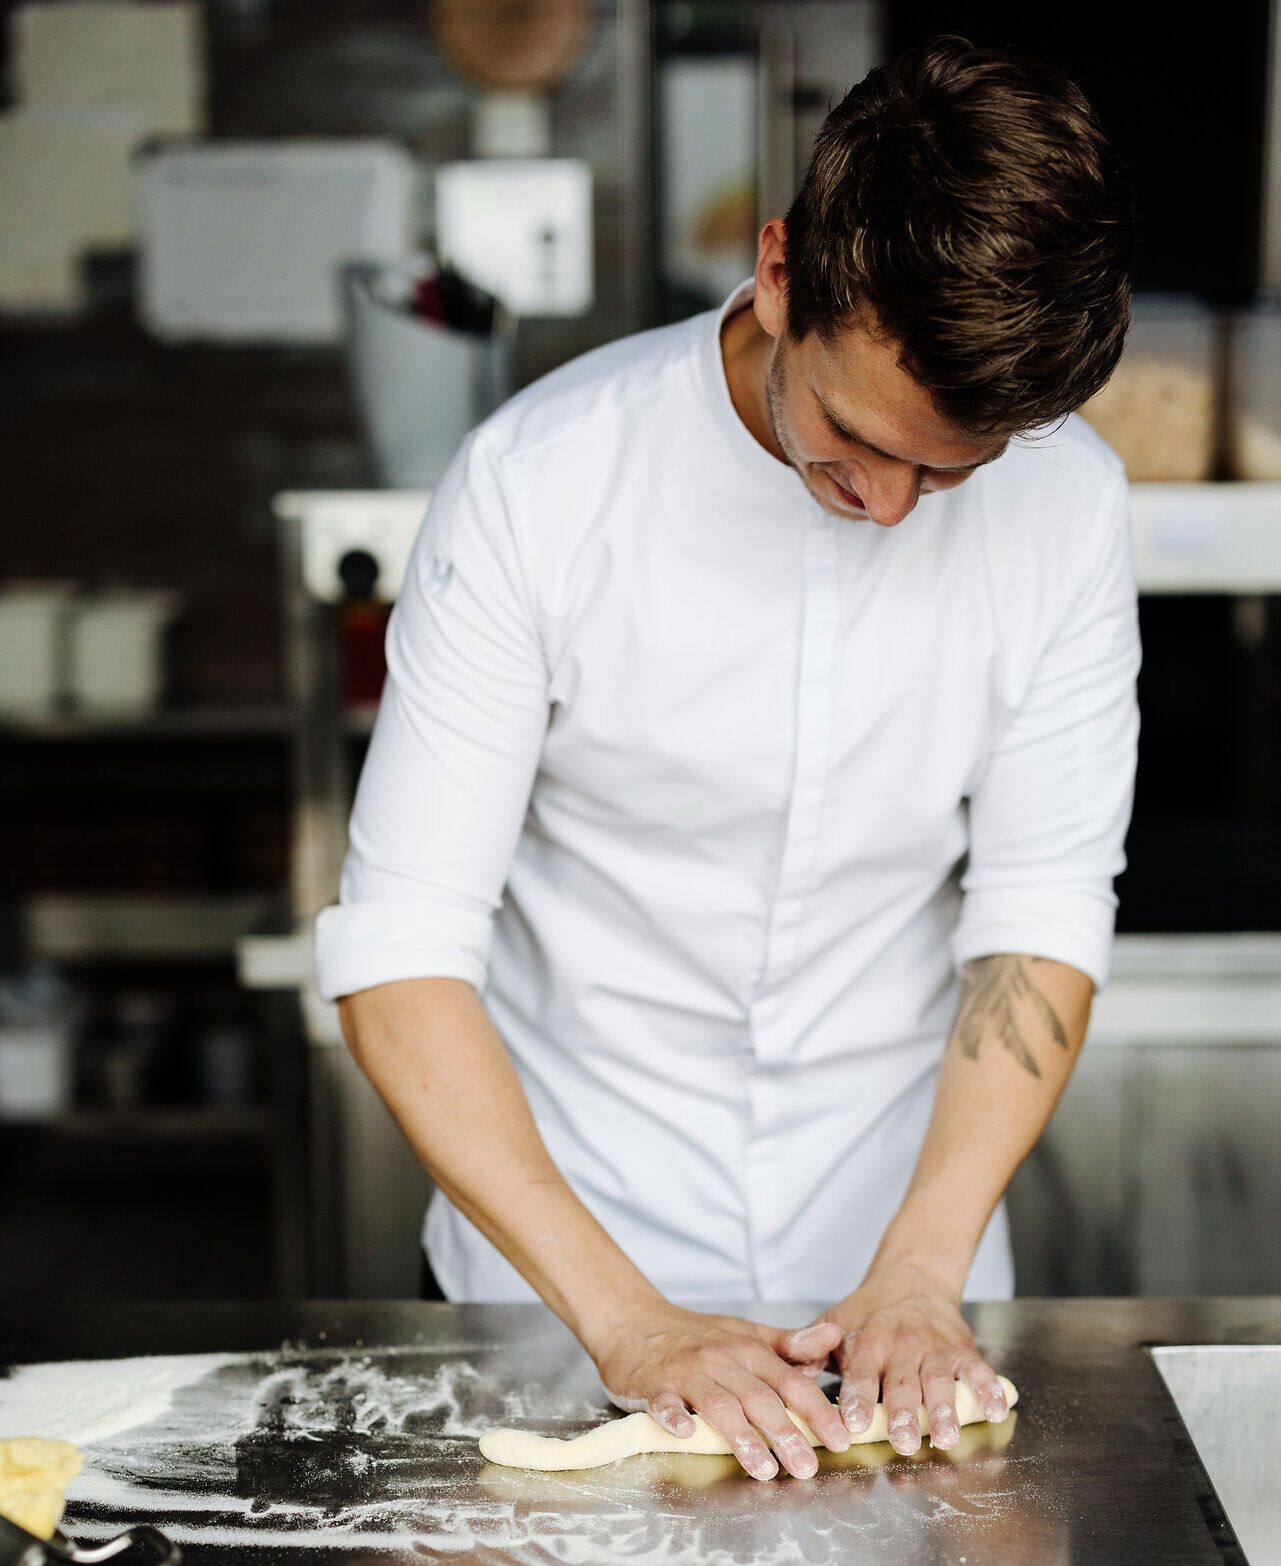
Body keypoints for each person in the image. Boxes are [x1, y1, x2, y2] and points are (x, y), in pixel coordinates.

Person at [315, 36, 1140, 1484]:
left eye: (949, 472)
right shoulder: (539, 486)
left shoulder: (1068, 505)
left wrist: (918, 1270)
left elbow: (1039, 905)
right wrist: (626, 1322)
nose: (888, 508)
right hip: (560, 1283)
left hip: (907, 1295)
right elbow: (400, 955)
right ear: (778, 272)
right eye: (852, 438)